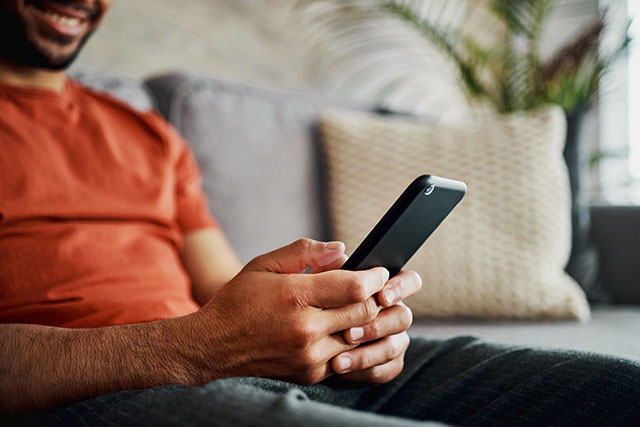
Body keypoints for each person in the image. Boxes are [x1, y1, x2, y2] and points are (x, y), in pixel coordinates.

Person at [0, 1, 638, 426]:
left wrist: (335, 326)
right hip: (93, 391)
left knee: (614, 391)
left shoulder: (148, 133)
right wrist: (193, 350)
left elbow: (225, 293)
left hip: (223, 365)